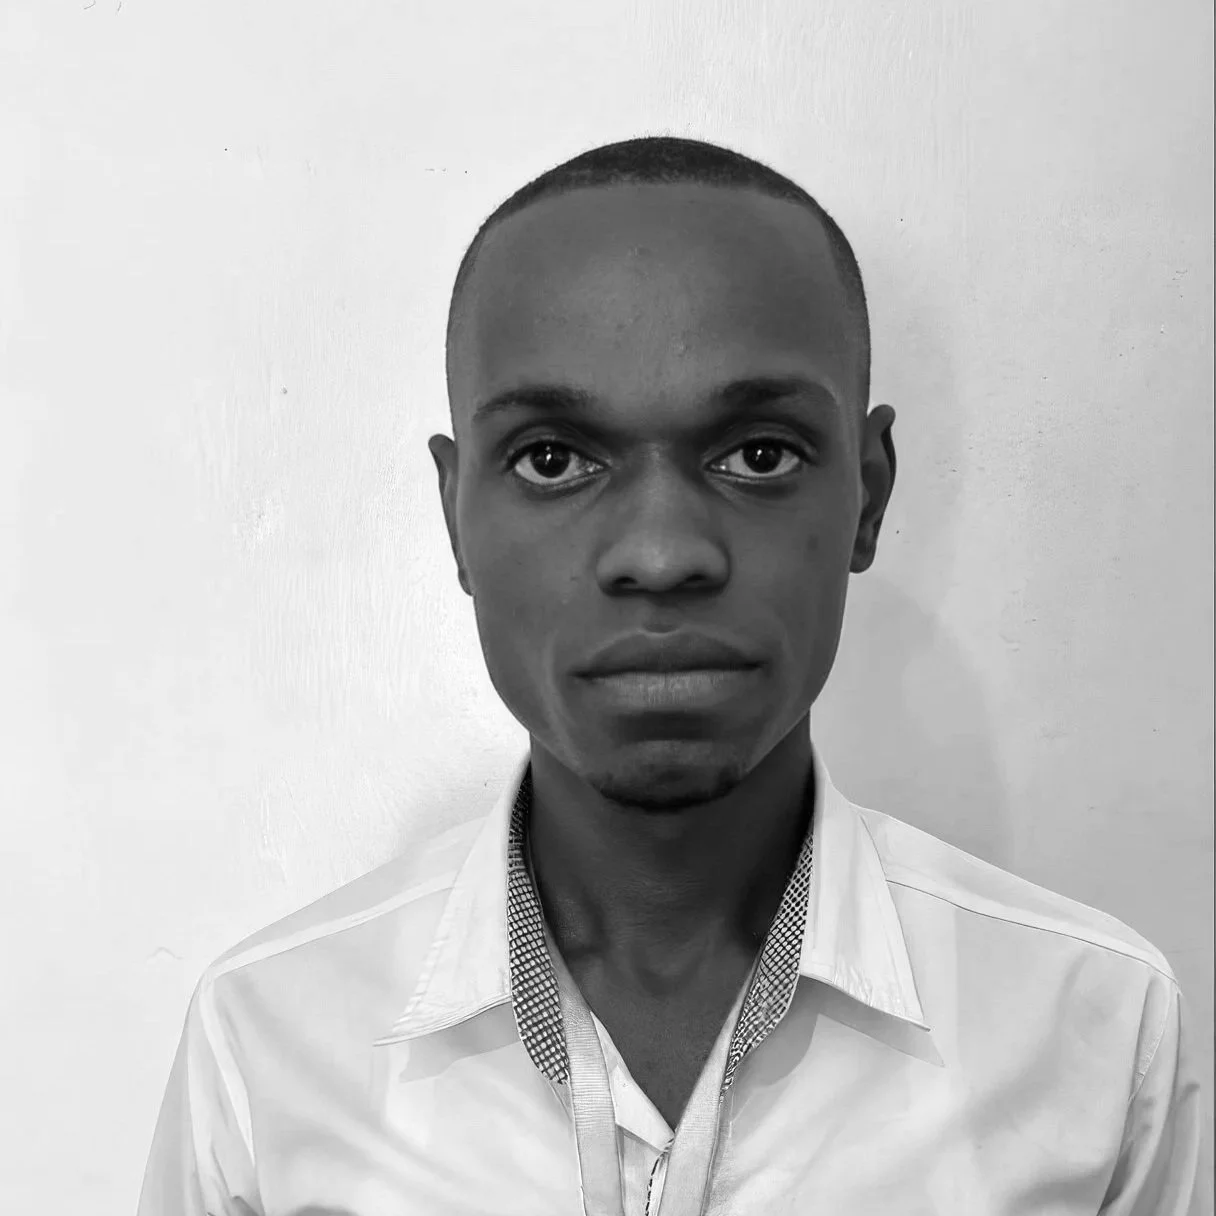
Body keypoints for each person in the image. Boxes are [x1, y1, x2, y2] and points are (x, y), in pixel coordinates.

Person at [138, 137, 1209, 1215]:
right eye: (553, 458)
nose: (659, 552)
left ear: (868, 496)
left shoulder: (1097, 1030)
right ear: (454, 514)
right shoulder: (267, 1041)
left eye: (758, 453)